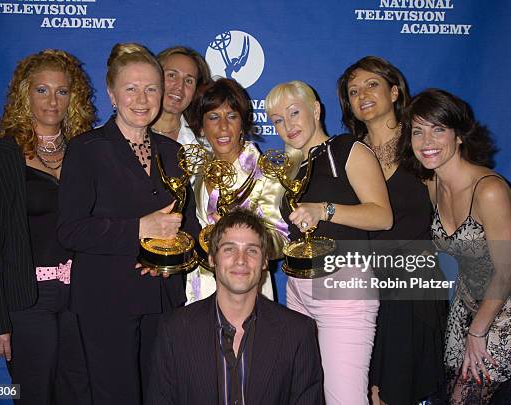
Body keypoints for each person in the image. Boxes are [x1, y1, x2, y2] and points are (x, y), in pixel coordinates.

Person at [57, 43, 200, 405]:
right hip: (107, 300)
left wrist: (177, 256)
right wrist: (140, 229)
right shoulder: (86, 149)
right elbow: (71, 229)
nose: (142, 98)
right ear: (112, 94)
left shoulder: (172, 152)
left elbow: (191, 225)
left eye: (151, 88)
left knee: (161, 395)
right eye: (131, 89)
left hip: (164, 297)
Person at [399, 88, 511, 403]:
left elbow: (505, 273)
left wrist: (477, 333)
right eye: (418, 131)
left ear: (459, 136)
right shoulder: (432, 185)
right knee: (448, 388)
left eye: (439, 129)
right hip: (466, 299)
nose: (427, 141)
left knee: (467, 394)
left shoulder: (488, 190)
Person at [0, 49, 95, 404]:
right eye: (42, 90)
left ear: (74, 97)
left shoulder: (86, 153)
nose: (52, 101)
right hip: (28, 302)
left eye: (62, 91)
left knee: (80, 393)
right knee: (34, 396)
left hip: (83, 297)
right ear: (24, 95)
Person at [266, 80, 393, 404]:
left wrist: (324, 210)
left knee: (344, 399)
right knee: (307, 396)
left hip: (344, 285)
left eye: (294, 113)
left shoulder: (347, 149)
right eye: (278, 120)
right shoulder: (292, 168)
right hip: (298, 289)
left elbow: (382, 217)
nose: (287, 125)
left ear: (316, 110)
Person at [337, 56, 447, 405]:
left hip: (411, 288)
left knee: (400, 390)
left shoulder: (422, 145)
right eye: (353, 91)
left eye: (372, 84)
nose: (362, 95)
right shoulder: (346, 153)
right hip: (361, 287)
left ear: (395, 91)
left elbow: (468, 191)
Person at [148, 208, 324, 404]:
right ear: (212, 259)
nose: (241, 260)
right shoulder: (173, 330)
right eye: (229, 249)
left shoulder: (298, 332)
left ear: (265, 261)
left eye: (251, 250)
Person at [185, 78, 288, 303]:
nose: (223, 127)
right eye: (213, 117)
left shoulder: (264, 173)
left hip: (246, 287)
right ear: (201, 126)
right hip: (200, 287)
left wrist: (241, 235)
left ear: (242, 123)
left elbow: (281, 240)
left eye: (232, 116)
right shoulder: (199, 170)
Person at [150, 46, 211, 148]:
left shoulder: (206, 147)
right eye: (172, 75)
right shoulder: (124, 136)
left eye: (188, 81)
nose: (179, 86)